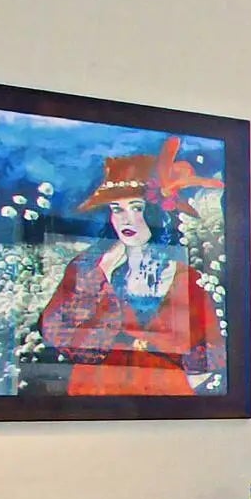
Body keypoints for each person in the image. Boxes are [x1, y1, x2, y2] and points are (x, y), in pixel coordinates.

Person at [36, 137, 225, 396]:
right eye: (117, 209)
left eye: (136, 208)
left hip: (165, 400)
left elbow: (208, 357)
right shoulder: (87, 267)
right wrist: (100, 277)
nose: (127, 219)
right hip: (94, 394)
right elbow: (55, 334)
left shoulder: (186, 276)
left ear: (157, 213)